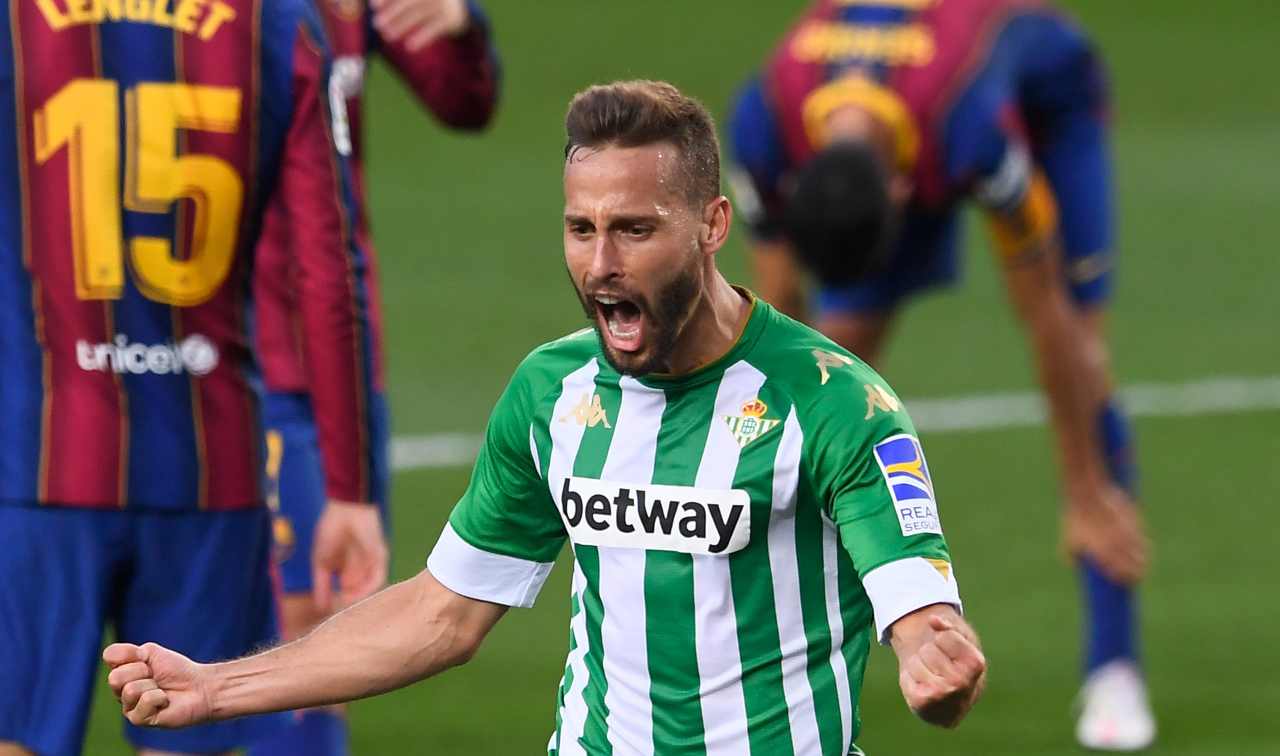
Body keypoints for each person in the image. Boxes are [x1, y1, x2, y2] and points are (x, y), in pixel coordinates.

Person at [105, 80, 985, 755]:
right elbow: (442, 613)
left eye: (635, 230)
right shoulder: (552, 394)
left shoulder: (836, 403)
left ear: (714, 224)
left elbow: (919, 611)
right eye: (581, 228)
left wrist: (931, 663)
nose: (601, 263)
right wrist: (216, 688)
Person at [726, 1, 1152, 748]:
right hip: (895, 131)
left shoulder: (972, 131)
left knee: (1087, 355)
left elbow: (1044, 312)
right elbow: (784, 330)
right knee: (833, 360)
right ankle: (789, 650)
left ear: (903, 195)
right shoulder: (762, 123)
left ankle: (1114, 664)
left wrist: (1084, 491)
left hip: (1049, 102)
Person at [0, 1, 387, 754]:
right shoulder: (277, 23)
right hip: (210, 470)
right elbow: (330, 265)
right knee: (191, 730)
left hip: (30, 461)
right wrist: (350, 487)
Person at [250, 0, 498, 751]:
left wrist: (463, 23)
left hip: (328, 358)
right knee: (199, 627)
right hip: (212, 354)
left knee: (319, 630)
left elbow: (464, 101)